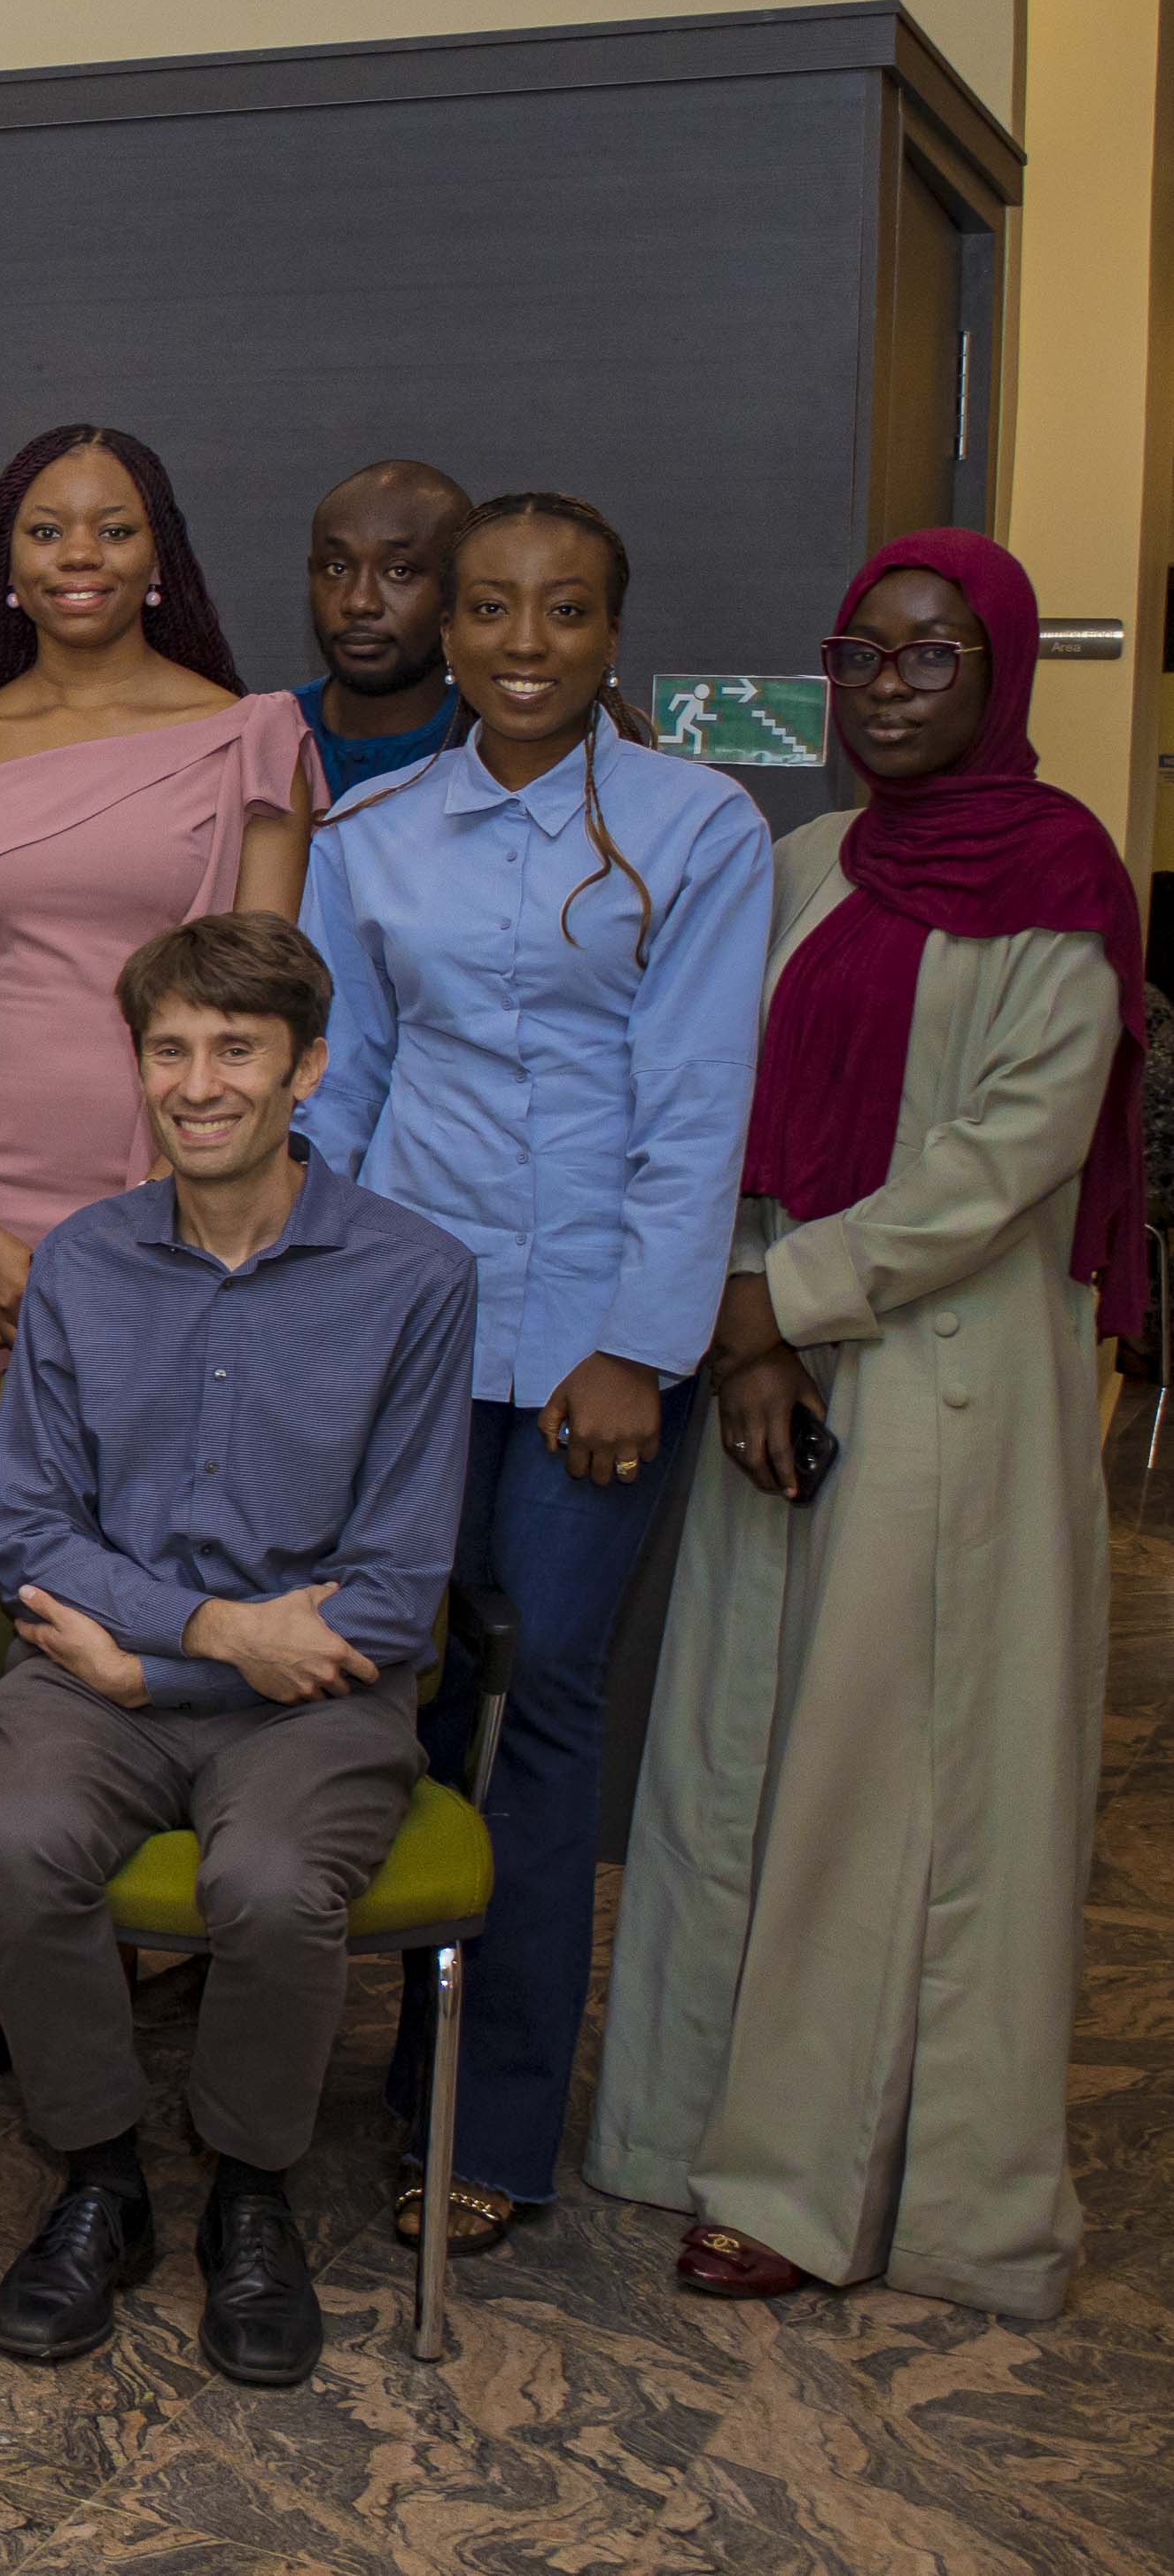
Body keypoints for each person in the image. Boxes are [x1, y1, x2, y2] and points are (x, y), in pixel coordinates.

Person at [595, 527, 1141, 2321]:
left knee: (885, 1787)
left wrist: (787, 1298)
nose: (888, 689)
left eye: (930, 656)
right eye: (861, 655)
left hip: (946, 1379)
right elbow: (718, 1104)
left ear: (1000, 672)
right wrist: (745, 1330)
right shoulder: (806, 860)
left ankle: (820, 2186)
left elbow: (1012, 1153)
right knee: (728, 1752)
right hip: (777, 1367)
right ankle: (685, 2123)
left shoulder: (1057, 875)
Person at [300, 493, 771, 2256]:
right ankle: (383, 2068)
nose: (522, 642)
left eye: (563, 610)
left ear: (611, 635)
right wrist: (317, 1319)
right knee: (399, 1686)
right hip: (410, 1329)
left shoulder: (696, 826)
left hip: (596, 1339)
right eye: (490, 607)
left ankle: (490, 2119)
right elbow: (343, 1091)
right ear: (447, 629)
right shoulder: (369, 832)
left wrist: (637, 1345)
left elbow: (697, 1104)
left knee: (546, 1696)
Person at [0, 912, 478, 2390]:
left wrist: (168, 1668)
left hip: (313, 1701)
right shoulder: (78, 1264)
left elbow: (394, 1591)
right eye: (169, 1049)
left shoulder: (415, 1277)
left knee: (265, 1884)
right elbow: (27, 1528)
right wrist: (206, 1634)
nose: (198, 1084)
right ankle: (100, 2180)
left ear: (306, 1068)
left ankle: (250, 2195)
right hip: (101, 1681)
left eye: (236, 1050)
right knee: (17, 1847)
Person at [0, 423, 311, 1567]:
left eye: (113, 529)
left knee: (159, 1545)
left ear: (158, 555)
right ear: (8, 564)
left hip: (185, 1191)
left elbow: (262, 1008)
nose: (79, 554)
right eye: (47, 530)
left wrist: (180, 1212)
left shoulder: (247, 739)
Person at [293, 460, 470, 802]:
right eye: (337, 568)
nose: (360, 602)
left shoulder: (499, 747)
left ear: (460, 588)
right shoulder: (262, 739)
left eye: (399, 572)